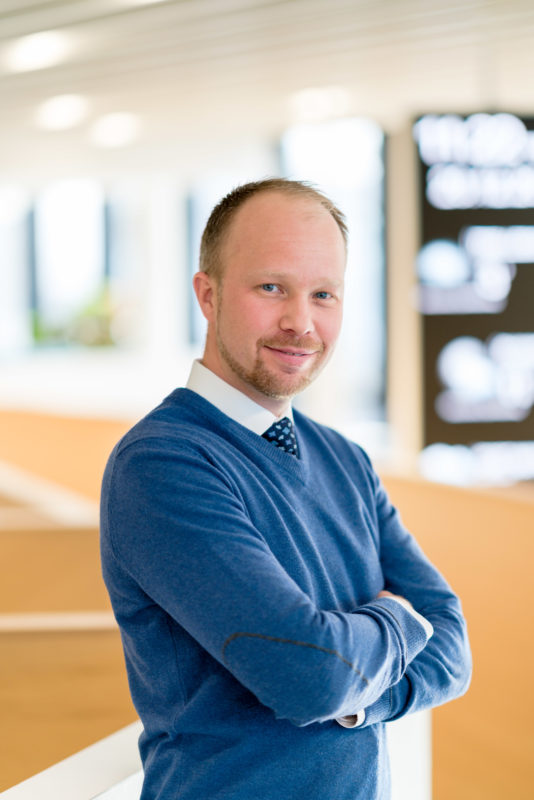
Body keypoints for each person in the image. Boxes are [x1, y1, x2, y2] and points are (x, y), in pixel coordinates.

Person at [100, 178, 471, 800]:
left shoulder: (346, 459)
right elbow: (312, 679)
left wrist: (359, 698)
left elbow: (453, 649)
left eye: (323, 293)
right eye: (271, 287)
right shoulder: (162, 464)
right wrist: (400, 619)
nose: (301, 322)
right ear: (208, 294)